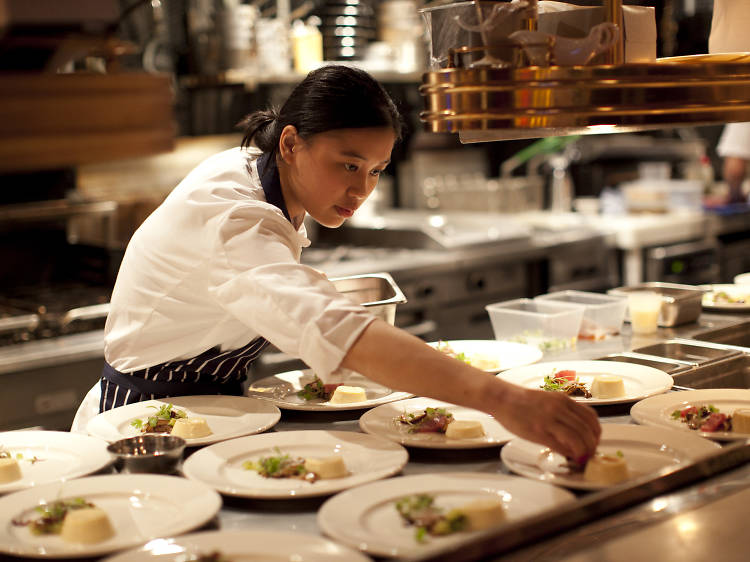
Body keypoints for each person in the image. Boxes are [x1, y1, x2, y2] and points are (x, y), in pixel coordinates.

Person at [71, 65, 600, 461]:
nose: (360, 189)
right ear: (291, 142)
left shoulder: (255, 168)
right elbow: (330, 326)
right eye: (348, 164)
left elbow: (261, 292)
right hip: (147, 429)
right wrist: (503, 400)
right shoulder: (236, 217)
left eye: (375, 170)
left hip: (216, 414)